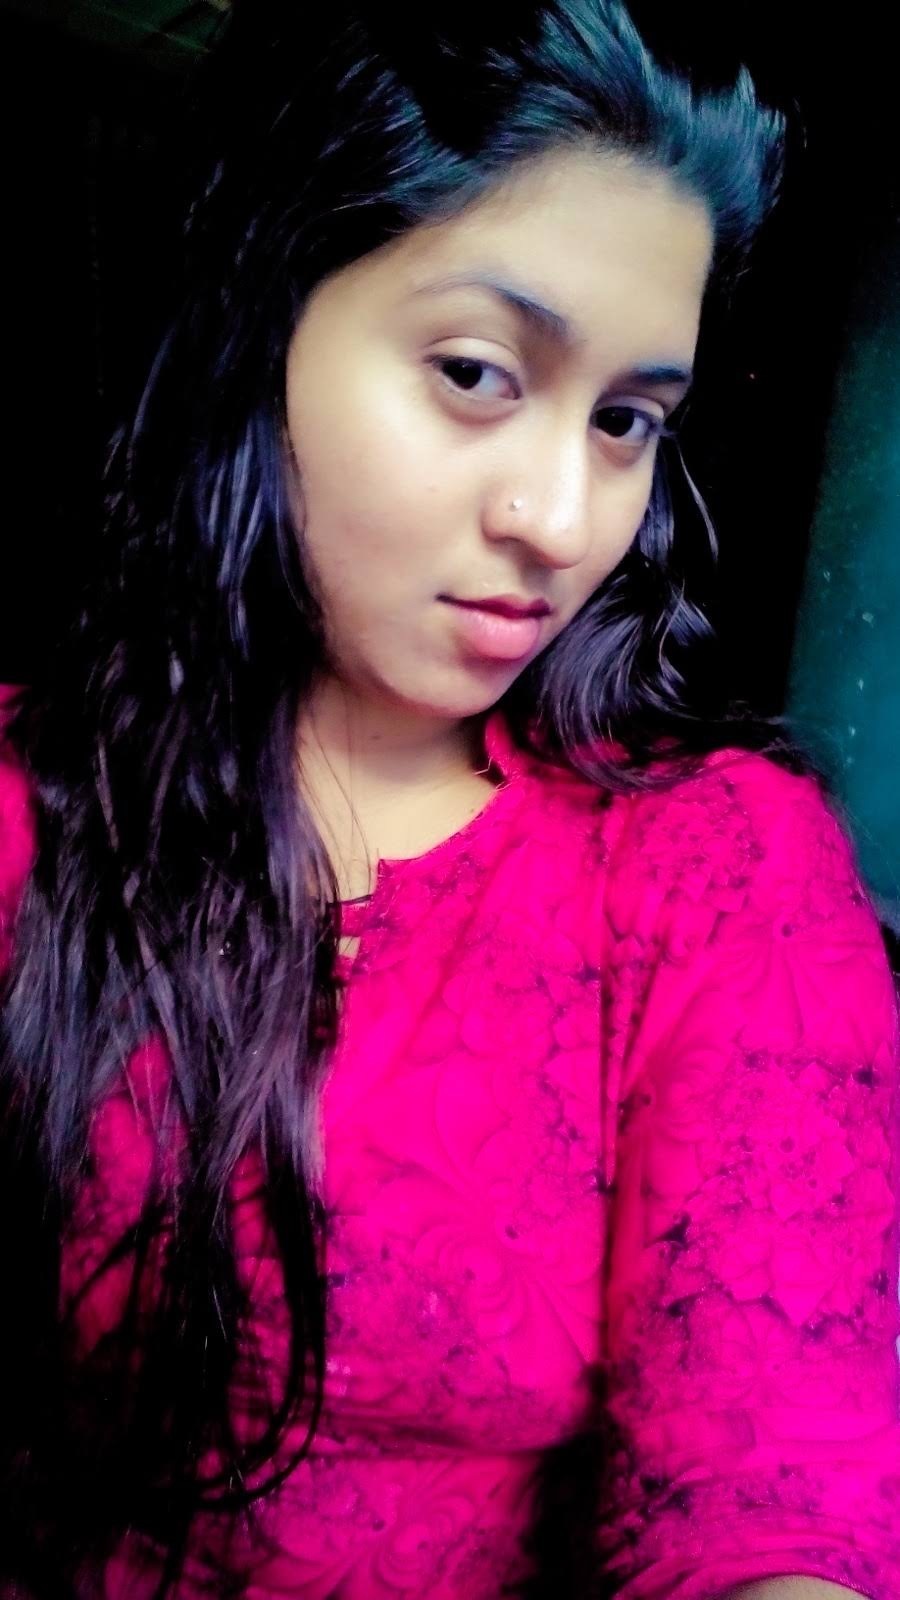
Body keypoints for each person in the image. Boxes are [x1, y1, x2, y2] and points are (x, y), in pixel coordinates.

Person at [0, 1, 898, 1595]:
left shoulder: (718, 871)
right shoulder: (32, 799)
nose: (562, 519)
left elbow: (775, 1494)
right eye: (479, 373)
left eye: (625, 421)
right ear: (261, 324)